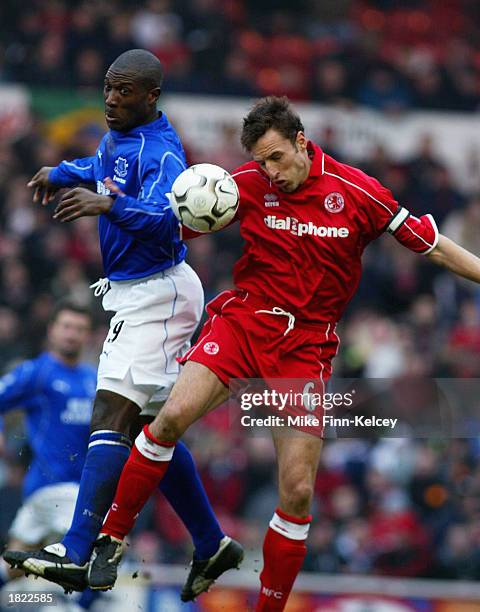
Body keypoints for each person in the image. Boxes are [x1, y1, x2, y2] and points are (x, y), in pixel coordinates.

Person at [84, 96, 480, 610]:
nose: (269, 171)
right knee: (169, 419)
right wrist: (117, 206)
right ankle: (110, 540)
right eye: (260, 161)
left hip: (307, 346)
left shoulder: (359, 192)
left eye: (275, 157)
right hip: (245, 321)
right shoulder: (243, 185)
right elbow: (170, 226)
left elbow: (434, 246)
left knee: (296, 491)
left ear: (301, 141)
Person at [3, 49, 242, 602]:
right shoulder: (119, 135)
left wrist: (105, 205)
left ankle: (76, 548)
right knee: (151, 431)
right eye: (108, 87)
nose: (111, 99)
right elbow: (101, 167)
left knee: (109, 413)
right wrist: (61, 173)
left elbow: (165, 221)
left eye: (125, 91)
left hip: (156, 291)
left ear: (151, 96)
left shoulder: (164, 152)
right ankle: (210, 543)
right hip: (142, 294)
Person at [0, 302, 99, 611]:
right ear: (52, 330)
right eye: (67, 326)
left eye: (80, 329)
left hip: (71, 492)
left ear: (87, 336)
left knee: (13, 567)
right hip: (52, 486)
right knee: (94, 560)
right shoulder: (36, 372)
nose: (72, 334)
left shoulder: (92, 379)